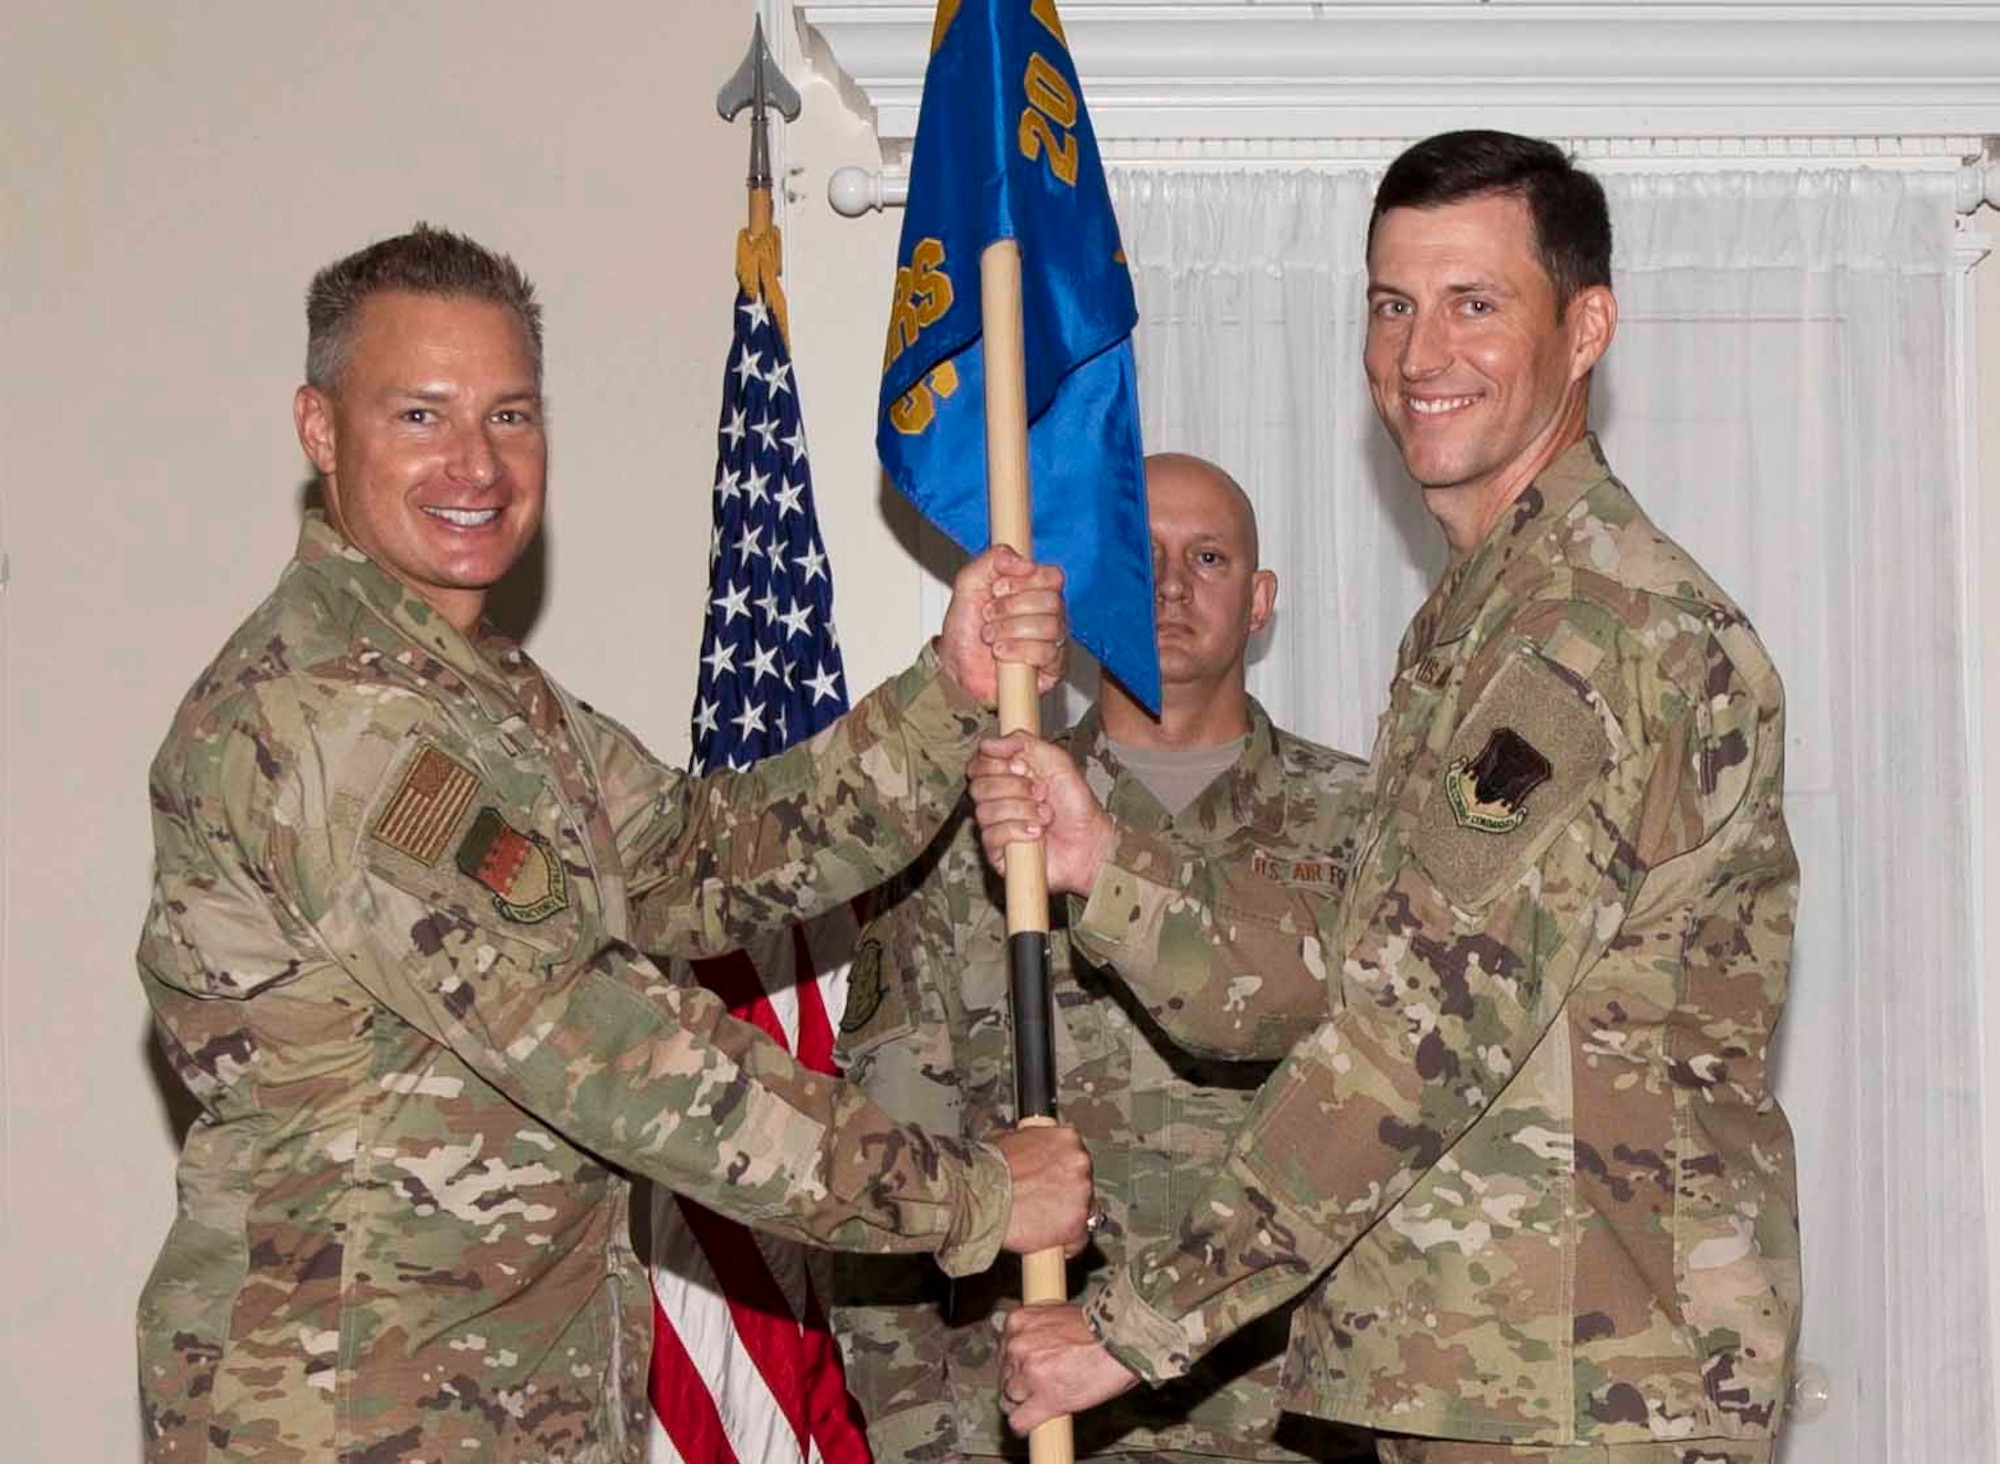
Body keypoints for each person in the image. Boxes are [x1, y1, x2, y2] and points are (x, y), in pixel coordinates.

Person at [135, 224, 1095, 1464]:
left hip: (503, 1399)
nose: (475, 464)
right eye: (419, 416)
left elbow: (699, 859)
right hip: (351, 1413)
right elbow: (610, 1050)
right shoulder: (336, 717)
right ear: (321, 431)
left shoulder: (475, 692)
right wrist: (971, 1194)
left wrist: (948, 695)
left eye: (510, 415)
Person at [974, 133, 1800, 1464]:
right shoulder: (1475, 626)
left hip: (1585, 1392)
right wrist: (1106, 865)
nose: (1422, 356)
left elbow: (1425, 1030)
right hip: (1471, 1372)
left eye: (1476, 304)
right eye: (1392, 304)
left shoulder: (1594, 632)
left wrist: (1134, 1328)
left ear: (1585, 328)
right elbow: (1355, 970)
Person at [832, 453, 1374, 1464]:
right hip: (1043, 1424)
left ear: (1259, 603)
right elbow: (888, 1172)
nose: (1169, 586)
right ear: (1080, 589)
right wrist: (924, 1445)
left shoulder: (1365, 830)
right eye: (1139, 554)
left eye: (1206, 558)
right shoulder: (976, 831)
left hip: (1298, 1421)